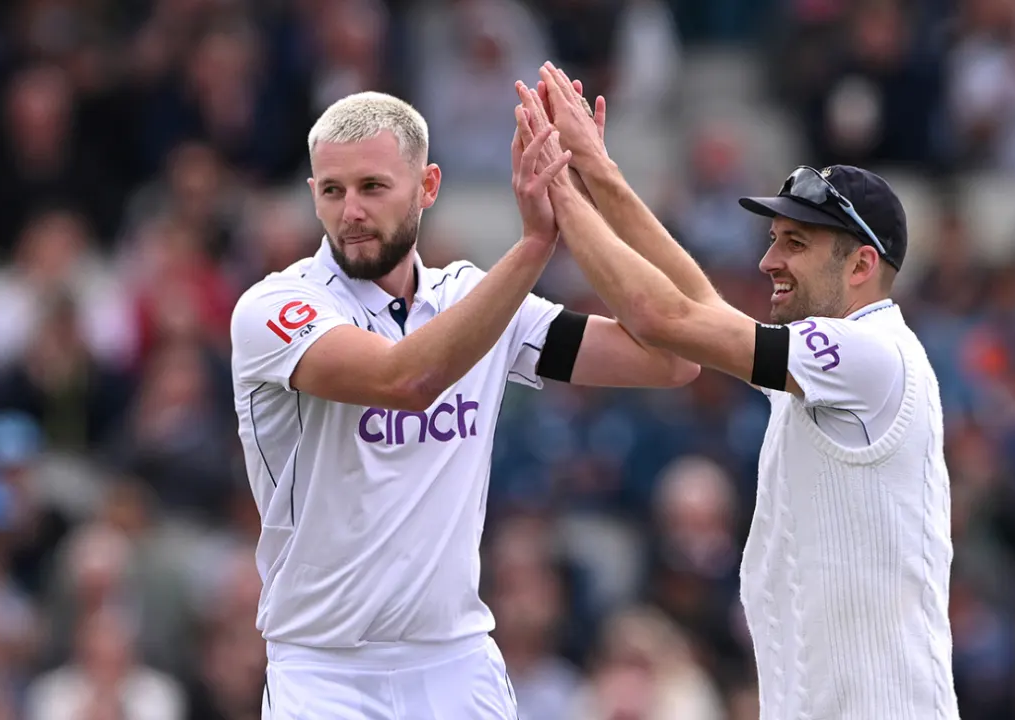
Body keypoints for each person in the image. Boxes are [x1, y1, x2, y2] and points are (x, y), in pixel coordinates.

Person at [228, 91, 699, 719]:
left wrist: (595, 185)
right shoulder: (275, 308)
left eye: (373, 186)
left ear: (428, 186)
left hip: (457, 663)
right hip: (324, 671)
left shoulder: (474, 301)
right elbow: (407, 379)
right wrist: (534, 246)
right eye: (333, 191)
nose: (351, 212)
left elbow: (676, 354)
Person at [527, 63, 961, 719]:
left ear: (862, 265)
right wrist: (598, 175)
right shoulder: (827, 364)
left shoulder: (868, 353)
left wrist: (560, 197)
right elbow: (696, 302)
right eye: (772, 239)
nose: (768, 262)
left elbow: (662, 318)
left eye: (796, 242)